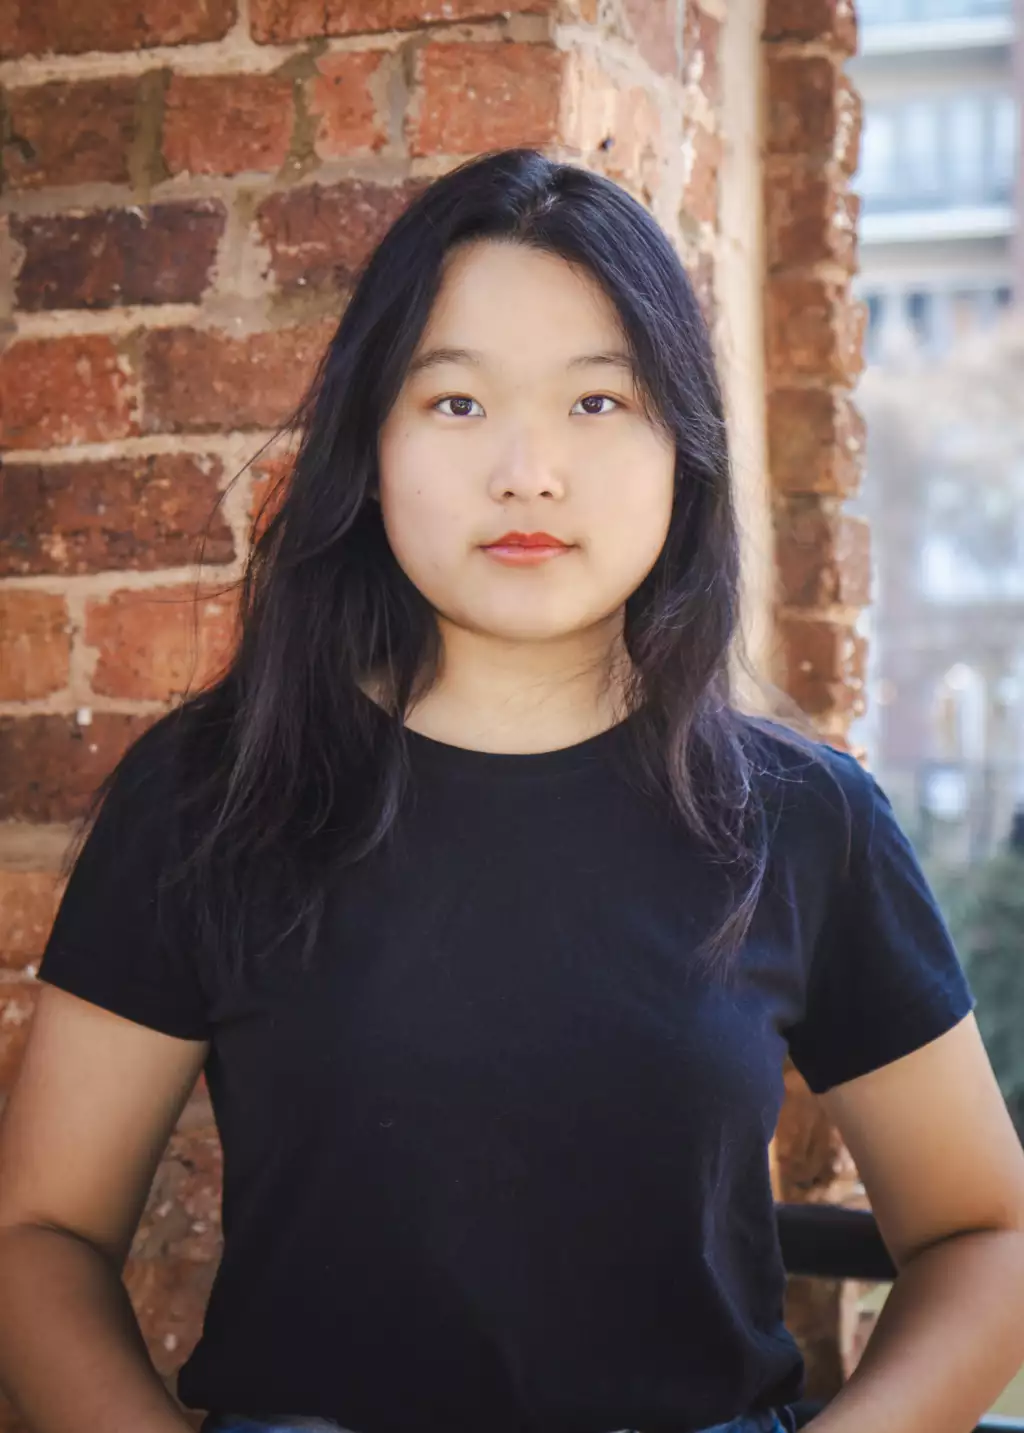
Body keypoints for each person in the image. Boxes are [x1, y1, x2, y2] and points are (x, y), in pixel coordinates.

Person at [1, 148, 1022, 1433]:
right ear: (367, 448)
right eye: (456, 403)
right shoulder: (213, 792)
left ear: (681, 453)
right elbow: (41, 1230)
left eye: (599, 403)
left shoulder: (801, 819)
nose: (528, 471)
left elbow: (984, 1230)